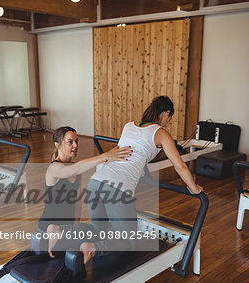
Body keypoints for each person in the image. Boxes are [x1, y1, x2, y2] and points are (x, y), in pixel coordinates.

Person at [87, 96, 202, 253]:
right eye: (170, 118)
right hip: (117, 188)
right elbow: (180, 166)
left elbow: (127, 153)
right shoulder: (161, 133)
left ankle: (82, 247)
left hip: (95, 182)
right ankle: (92, 248)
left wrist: (139, 170)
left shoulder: (129, 125)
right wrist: (193, 187)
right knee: (127, 243)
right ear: (166, 113)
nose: (168, 122)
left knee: (98, 232)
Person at [37, 126, 132, 263]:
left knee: (104, 235)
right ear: (57, 145)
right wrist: (106, 156)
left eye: (77, 141)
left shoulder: (75, 168)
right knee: (122, 244)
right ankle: (56, 230)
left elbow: (76, 202)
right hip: (47, 230)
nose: (75, 146)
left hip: (66, 229)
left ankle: (63, 231)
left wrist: (76, 227)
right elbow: (74, 170)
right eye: (70, 142)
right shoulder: (53, 168)